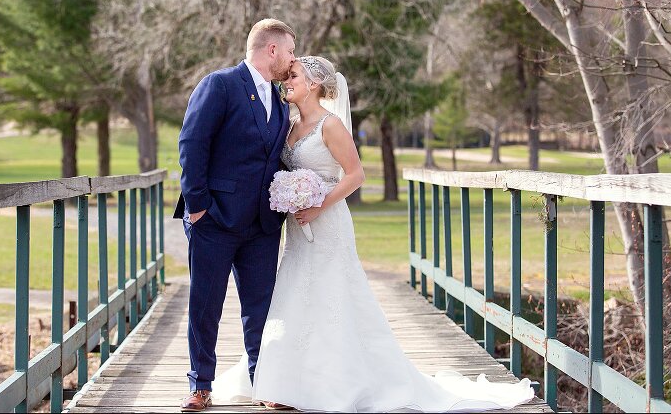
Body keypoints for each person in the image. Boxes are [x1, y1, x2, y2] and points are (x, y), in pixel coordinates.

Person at [211, 56, 536, 412]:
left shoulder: (330, 125)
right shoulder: (288, 124)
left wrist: (318, 203)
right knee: (294, 296)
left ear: (314, 85)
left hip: (328, 222)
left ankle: (333, 383)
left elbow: (355, 175)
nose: (285, 81)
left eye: (293, 76)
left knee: (331, 297)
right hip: (298, 227)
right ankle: (287, 381)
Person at [174, 19, 296, 412]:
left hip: (262, 224)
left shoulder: (280, 103)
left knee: (260, 307)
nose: (292, 60)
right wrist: (198, 207)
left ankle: (265, 383)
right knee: (205, 304)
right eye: (290, 51)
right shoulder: (220, 84)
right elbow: (193, 143)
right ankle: (199, 384)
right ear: (272, 50)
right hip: (214, 220)